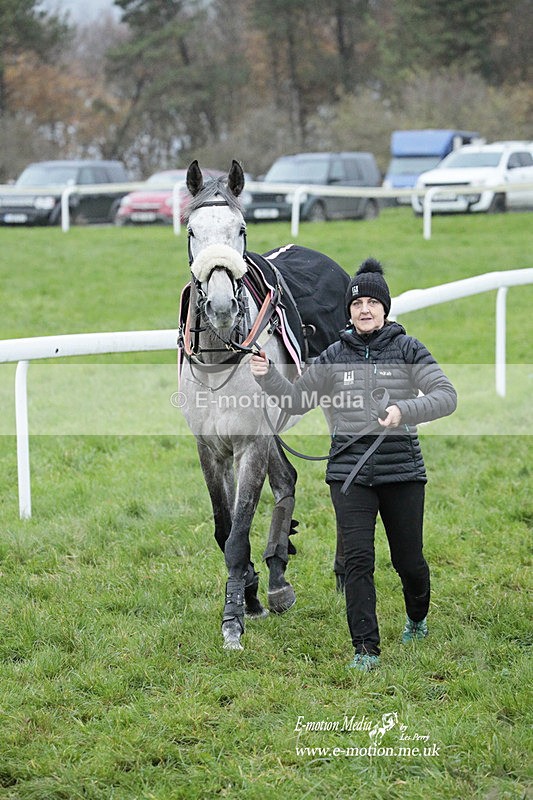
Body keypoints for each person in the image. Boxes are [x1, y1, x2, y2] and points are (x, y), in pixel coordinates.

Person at [251, 258, 457, 672]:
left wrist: (406, 410)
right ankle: (365, 649)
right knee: (358, 561)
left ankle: (417, 616)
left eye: (372, 303)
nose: (364, 309)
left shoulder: (408, 348)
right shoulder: (331, 357)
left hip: (402, 473)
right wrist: (267, 375)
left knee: (408, 561)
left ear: (385, 308)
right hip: (349, 476)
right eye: (357, 302)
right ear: (349, 310)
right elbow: (295, 401)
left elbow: (446, 395)